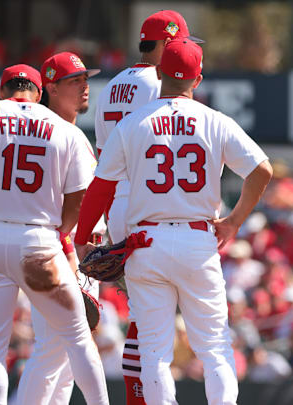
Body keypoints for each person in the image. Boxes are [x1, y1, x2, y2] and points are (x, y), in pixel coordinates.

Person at [74, 38, 272, 405]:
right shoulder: (215, 120)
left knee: (155, 354)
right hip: (198, 240)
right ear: (197, 80)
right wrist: (233, 222)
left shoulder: (134, 122)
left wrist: (83, 237)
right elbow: (262, 170)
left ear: (160, 72)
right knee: (214, 348)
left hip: (146, 243)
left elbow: (101, 188)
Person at [0, 64, 108, 405]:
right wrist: (63, 230)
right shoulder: (64, 129)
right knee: (77, 337)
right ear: (39, 94)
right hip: (39, 240)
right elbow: (80, 197)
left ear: (2, 90)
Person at [93, 9, 201, 404]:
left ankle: (140, 397)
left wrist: (104, 218)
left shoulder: (111, 86)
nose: (186, 52)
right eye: (182, 43)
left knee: (143, 319)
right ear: (168, 42)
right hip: (149, 207)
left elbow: (104, 161)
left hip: (120, 204)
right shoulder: (160, 83)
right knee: (152, 324)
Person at [14, 52, 104, 405]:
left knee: (66, 358)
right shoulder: (57, 134)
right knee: (54, 350)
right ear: (50, 86)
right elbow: (57, 211)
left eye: (85, 78)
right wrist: (70, 255)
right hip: (63, 252)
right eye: (74, 81)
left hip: (76, 251)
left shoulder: (62, 132)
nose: (84, 86)